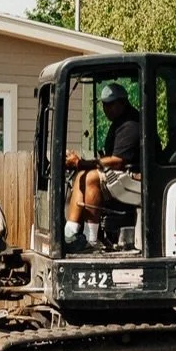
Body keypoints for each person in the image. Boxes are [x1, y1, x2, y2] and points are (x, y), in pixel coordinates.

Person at [65, 82, 141, 247]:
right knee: (81, 175)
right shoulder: (119, 123)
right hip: (124, 174)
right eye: (104, 105)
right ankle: (70, 233)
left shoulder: (131, 125)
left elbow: (118, 161)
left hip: (137, 177)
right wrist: (82, 165)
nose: (106, 109)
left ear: (123, 102)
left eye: (110, 104)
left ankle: (91, 239)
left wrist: (81, 162)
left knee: (91, 177)